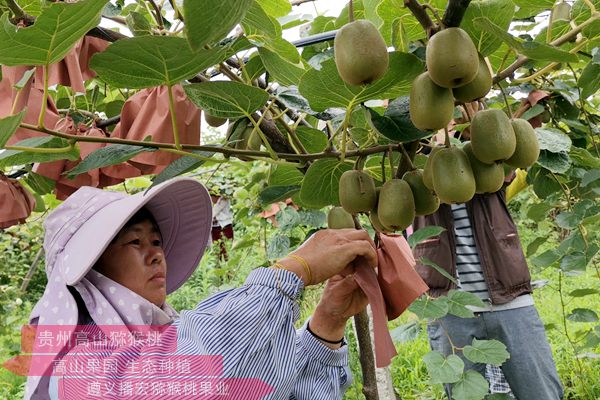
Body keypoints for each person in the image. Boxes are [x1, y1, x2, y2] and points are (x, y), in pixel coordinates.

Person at [24, 177, 377, 400]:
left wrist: (328, 321)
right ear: (92, 270)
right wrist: (293, 271)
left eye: (156, 241)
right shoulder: (77, 364)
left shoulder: (155, 339)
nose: (156, 255)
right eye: (134, 242)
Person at [411, 188, 563, 399]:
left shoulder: (487, 163)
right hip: (448, 307)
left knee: (541, 393)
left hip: (510, 299)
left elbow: (512, 163)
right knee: (464, 394)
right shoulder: (416, 168)